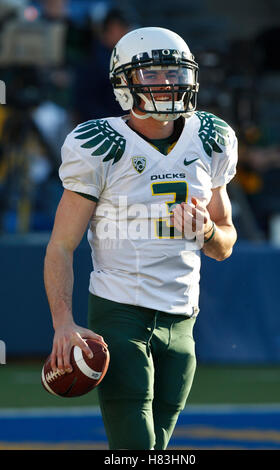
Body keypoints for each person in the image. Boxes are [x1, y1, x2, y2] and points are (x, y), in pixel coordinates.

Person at [44, 26, 238, 450]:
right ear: (124, 82)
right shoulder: (98, 144)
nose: (167, 83)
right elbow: (61, 245)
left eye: (174, 72)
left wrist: (205, 230)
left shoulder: (211, 138)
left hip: (184, 316)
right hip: (120, 314)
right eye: (151, 75)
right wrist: (63, 323)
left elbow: (225, 244)